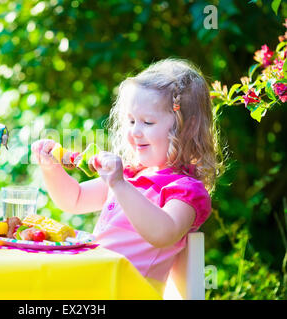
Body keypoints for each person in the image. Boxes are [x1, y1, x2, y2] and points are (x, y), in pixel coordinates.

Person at [31, 58, 225, 296]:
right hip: (93, 286)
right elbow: (75, 199)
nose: (134, 131)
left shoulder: (185, 190)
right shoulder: (130, 175)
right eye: (131, 120)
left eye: (148, 122)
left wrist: (120, 186)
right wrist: (51, 168)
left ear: (187, 128)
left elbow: (164, 233)